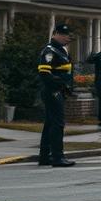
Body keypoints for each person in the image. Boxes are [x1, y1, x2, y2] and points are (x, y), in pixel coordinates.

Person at [37, 23, 76, 167]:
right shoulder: (50, 51)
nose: (67, 37)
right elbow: (44, 73)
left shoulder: (61, 51)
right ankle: (57, 157)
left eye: (68, 35)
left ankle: (45, 156)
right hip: (52, 91)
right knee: (57, 124)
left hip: (57, 90)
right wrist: (61, 83)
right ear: (55, 34)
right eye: (63, 34)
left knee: (50, 124)